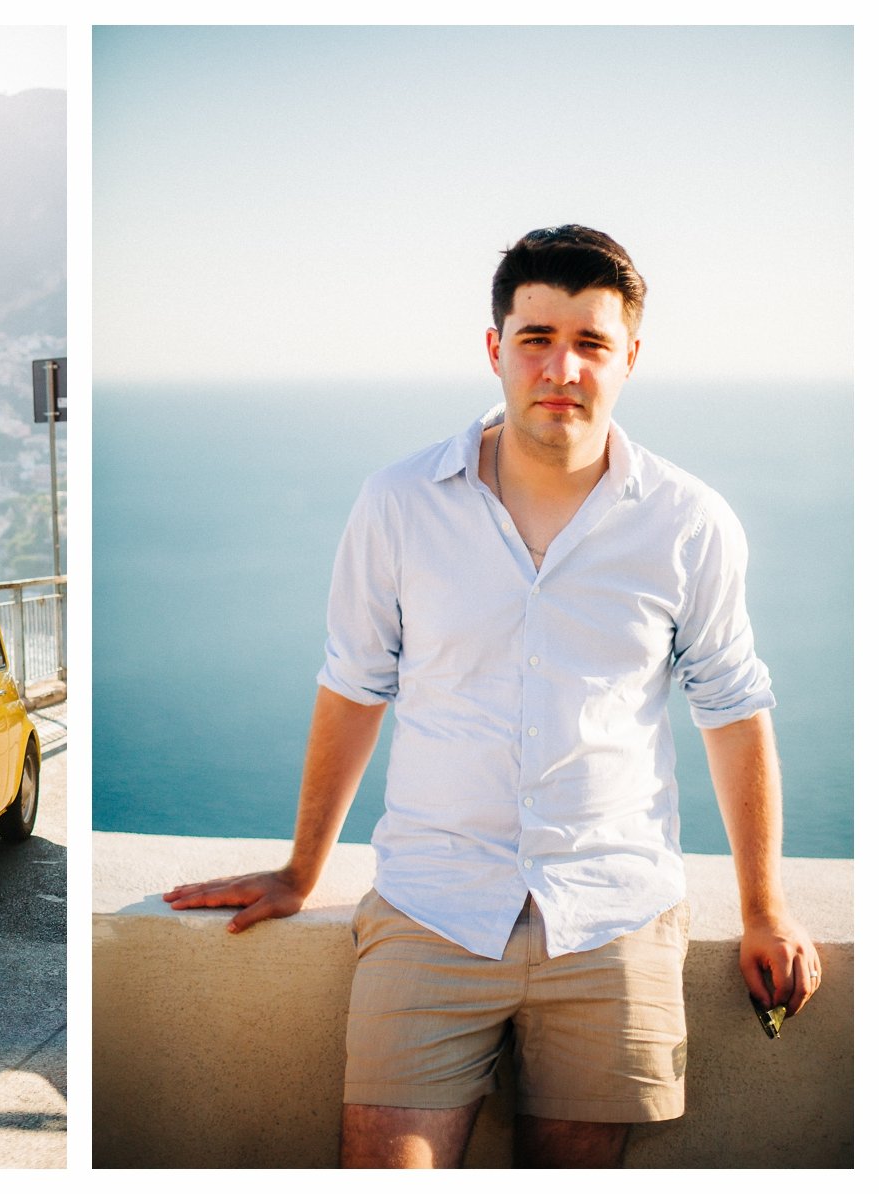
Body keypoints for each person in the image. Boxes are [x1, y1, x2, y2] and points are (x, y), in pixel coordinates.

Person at [164, 226, 821, 1167]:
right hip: (433, 909)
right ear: (494, 349)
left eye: (592, 343)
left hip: (613, 918)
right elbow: (355, 685)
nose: (562, 367)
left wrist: (764, 907)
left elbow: (733, 706)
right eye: (536, 338)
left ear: (630, 358)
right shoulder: (398, 502)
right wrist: (301, 872)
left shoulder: (690, 522)